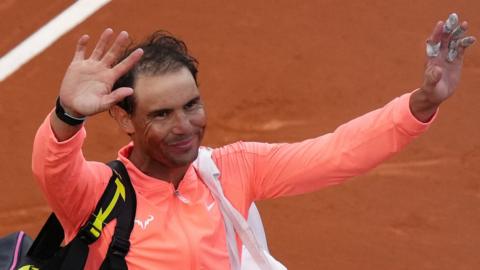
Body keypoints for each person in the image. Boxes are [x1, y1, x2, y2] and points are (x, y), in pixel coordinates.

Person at [32, 13, 475, 269]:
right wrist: (67, 116)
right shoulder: (96, 194)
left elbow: (337, 152)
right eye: (161, 115)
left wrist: (419, 104)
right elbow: (54, 164)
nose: (184, 126)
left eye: (191, 105)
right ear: (125, 120)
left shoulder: (230, 171)